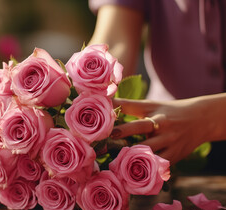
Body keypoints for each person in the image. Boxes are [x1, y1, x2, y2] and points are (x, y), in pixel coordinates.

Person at [87, 1, 226, 172]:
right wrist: (81, 102)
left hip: (173, 128)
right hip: (166, 135)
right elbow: (114, 41)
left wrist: (208, 118)